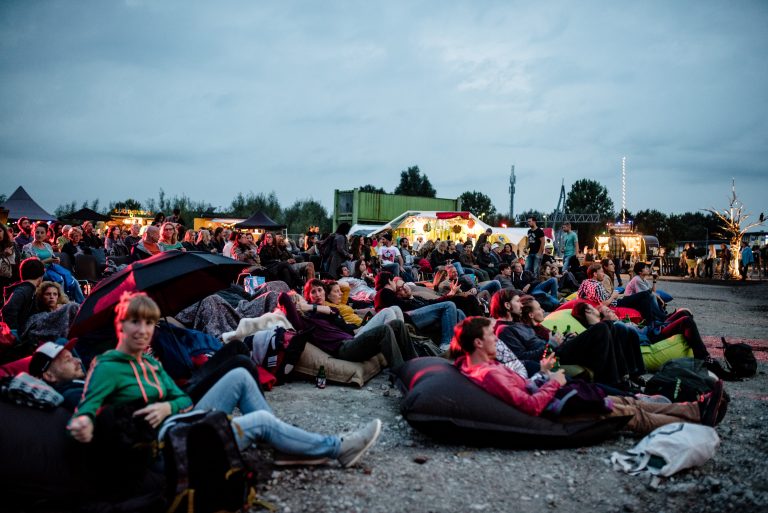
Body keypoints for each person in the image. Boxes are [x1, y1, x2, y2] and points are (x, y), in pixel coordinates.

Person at [67, 292, 382, 468]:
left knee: (239, 377)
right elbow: (87, 408)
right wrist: (83, 423)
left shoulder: (149, 364)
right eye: (134, 322)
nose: (143, 330)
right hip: (164, 450)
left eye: (149, 324)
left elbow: (181, 398)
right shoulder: (108, 365)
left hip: (178, 422)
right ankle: (336, 448)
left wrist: (166, 408)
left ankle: (283, 444)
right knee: (260, 422)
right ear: (121, 324)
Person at [454, 316, 726, 434]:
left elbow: (524, 387)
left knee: (629, 405)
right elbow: (529, 405)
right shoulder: (488, 374)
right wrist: (553, 383)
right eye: (490, 336)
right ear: (477, 343)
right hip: (560, 406)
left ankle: (695, 409)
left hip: (556, 393)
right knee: (631, 416)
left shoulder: (486, 367)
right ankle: (697, 417)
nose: (495, 341)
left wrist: (544, 375)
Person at [279, 281, 416, 368]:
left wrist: (309, 306)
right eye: (313, 292)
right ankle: (401, 372)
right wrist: (295, 299)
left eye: (319, 290)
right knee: (385, 329)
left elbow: (333, 311)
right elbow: (283, 298)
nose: (317, 294)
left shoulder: (322, 311)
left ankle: (416, 363)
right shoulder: (303, 322)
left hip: (353, 339)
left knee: (397, 323)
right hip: (344, 348)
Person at [374, 271, 464, 350]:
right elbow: (400, 308)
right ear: (389, 281)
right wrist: (410, 299)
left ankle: (465, 341)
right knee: (449, 305)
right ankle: (446, 345)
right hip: (409, 317)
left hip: (416, 313)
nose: (403, 288)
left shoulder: (416, 297)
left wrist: (450, 294)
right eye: (399, 289)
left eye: (403, 285)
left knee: (457, 311)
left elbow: (431, 303)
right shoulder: (385, 292)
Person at [21, 222, 84, 303]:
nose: (39, 235)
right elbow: (29, 266)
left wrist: (56, 260)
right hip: (38, 272)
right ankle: (62, 302)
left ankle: (81, 303)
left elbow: (52, 258)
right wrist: (49, 260)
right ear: (33, 232)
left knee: (73, 280)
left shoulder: (47, 246)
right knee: (60, 280)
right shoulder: (27, 247)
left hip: (51, 268)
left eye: (42, 232)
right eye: (37, 232)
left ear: (46, 234)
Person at [29, 338, 86, 409]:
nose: (79, 360)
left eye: (73, 357)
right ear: (49, 376)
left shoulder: (74, 384)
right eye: (68, 360)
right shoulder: (73, 395)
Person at [0, 257, 45, 331]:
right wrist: (14, 332)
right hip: (16, 336)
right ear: (41, 276)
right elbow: (8, 310)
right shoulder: (24, 290)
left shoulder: (27, 289)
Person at [0, 222, 21, 290]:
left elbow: (17, 262)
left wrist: (11, 255)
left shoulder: (12, 244)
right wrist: (4, 255)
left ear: (4, 232)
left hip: (10, 278)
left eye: (0, 231)